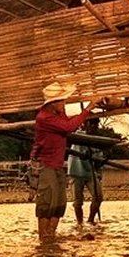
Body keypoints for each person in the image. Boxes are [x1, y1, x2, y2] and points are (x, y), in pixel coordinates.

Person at [32, 82, 101, 241]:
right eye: (61, 101)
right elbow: (69, 127)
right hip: (45, 164)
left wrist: (76, 111)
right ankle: (44, 237)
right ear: (52, 103)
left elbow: (68, 123)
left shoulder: (56, 114)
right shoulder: (44, 118)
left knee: (58, 204)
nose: (64, 104)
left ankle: (50, 237)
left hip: (56, 164)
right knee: (46, 204)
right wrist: (88, 108)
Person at [67, 118, 104, 225]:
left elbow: (99, 158)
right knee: (78, 201)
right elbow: (73, 136)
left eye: (96, 126)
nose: (95, 128)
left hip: (89, 172)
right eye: (93, 125)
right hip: (76, 171)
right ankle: (80, 223)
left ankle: (90, 220)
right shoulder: (78, 134)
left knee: (98, 197)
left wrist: (99, 162)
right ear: (87, 124)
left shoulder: (96, 140)